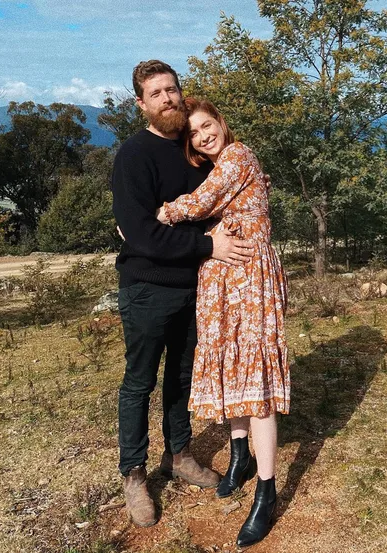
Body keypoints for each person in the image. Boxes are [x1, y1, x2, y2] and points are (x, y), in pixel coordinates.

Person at [109, 60, 254, 528]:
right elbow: (142, 236)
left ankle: (180, 454)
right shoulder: (134, 156)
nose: (168, 99)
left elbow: (218, 201)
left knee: (183, 379)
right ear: (142, 104)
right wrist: (207, 244)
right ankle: (133, 473)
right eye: (156, 93)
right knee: (140, 382)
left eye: (172, 90)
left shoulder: (197, 152)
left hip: (196, 287)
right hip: (147, 288)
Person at [156, 97, 288, 547]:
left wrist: (158, 215)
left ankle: (266, 494)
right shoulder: (214, 168)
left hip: (249, 278)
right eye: (193, 133)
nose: (203, 135)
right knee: (231, 372)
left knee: (256, 381)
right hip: (219, 281)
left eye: (207, 124)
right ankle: (239, 458)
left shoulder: (237, 155)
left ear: (221, 123)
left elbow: (201, 202)